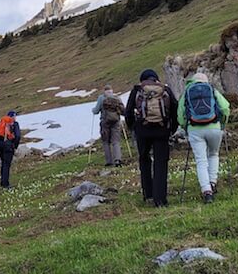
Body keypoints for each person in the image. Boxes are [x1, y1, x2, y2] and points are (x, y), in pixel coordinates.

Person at [125, 69, 178, 207]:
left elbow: (128, 111)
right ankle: (160, 199)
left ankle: (147, 194)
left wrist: (133, 127)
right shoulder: (165, 90)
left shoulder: (137, 90)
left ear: (142, 79)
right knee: (161, 163)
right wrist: (172, 128)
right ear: (156, 78)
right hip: (162, 131)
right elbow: (174, 108)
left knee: (144, 159)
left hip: (142, 131)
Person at [177, 72, 230, 203]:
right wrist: (222, 123)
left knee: (201, 161)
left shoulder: (187, 92)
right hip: (214, 127)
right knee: (213, 154)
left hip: (194, 129)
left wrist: (186, 127)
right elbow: (225, 107)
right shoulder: (212, 90)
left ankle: (207, 191)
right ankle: (212, 182)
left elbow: (180, 114)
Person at [91, 85, 125, 166]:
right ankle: (118, 159)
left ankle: (109, 161)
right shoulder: (117, 98)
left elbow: (96, 111)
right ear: (112, 90)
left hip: (105, 122)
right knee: (116, 141)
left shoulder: (101, 98)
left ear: (104, 91)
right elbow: (122, 110)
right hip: (116, 122)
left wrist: (93, 110)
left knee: (106, 142)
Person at [0, 110, 21, 188]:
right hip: (8, 146)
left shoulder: (0, 123)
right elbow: (18, 136)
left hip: (0, 146)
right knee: (7, 165)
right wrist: (14, 146)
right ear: (13, 116)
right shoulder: (14, 124)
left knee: (3, 163)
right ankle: (5, 184)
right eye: (15, 116)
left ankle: (2, 182)